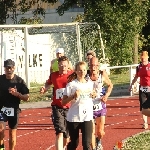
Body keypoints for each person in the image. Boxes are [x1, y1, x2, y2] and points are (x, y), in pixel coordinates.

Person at [40, 56, 73, 150]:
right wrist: (44, 88)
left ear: (68, 66)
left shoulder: (72, 75)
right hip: (57, 107)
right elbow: (48, 83)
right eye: (61, 65)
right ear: (58, 65)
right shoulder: (53, 75)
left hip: (69, 108)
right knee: (59, 133)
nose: (63, 67)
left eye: (65, 65)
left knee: (67, 137)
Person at [62, 61, 96, 150]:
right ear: (76, 71)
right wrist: (73, 96)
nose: (82, 72)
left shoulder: (90, 83)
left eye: (84, 70)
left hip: (87, 117)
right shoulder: (71, 85)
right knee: (74, 143)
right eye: (80, 70)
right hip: (74, 117)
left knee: (86, 144)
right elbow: (63, 102)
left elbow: (92, 95)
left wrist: (94, 95)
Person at [0, 59, 29, 150]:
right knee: (1, 129)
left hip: (14, 109)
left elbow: (27, 97)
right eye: (7, 68)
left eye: (11, 68)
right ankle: (1, 148)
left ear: (14, 68)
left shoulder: (19, 81)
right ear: (4, 69)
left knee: (12, 134)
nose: (9, 70)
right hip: (2, 109)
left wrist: (18, 94)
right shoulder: (0, 79)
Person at [87, 57, 113, 150]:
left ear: (98, 65)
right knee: (91, 132)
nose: (93, 67)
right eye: (91, 65)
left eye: (95, 65)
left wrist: (106, 95)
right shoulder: (85, 75)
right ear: (88, 65)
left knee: (100, 131)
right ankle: (94, 148)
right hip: (88, 106)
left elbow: (110, 85)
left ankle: (99, 140)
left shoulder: (102, 74)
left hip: (100, 105)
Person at [129, 51, 150, 129]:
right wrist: (131, 85)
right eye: (142, 59)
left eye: (144, 59)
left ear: (147, 57)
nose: (143, 60)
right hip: (142, 89)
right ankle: (145, 123)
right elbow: (136, 77)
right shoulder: (138, 67)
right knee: (143, 107)